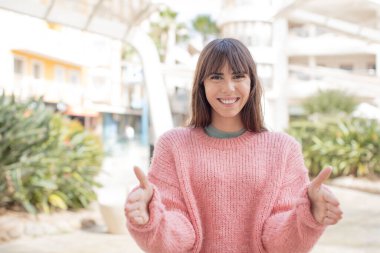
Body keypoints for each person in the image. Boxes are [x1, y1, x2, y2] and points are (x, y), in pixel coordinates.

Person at [124, 38, 343, 253]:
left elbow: (279, 243)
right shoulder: (173, 145)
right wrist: (149, 219)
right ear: (202, 83)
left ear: (252, 83)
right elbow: (178, 237)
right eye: (216, 77)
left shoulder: (284, 149)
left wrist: (308, 215)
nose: (228, 88)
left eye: (238, 76)